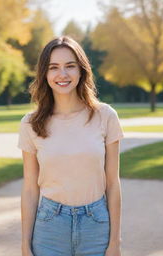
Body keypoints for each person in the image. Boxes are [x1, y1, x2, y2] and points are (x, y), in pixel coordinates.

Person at [17, 36, 124, 256]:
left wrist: (115, 242)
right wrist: (25, 245)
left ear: (81, 70)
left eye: (70, 66)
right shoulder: (30, 123)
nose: (62, 74)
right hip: (49, 228)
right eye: (53, 67)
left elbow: (113, 183)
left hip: (97, 225)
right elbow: (29, 189)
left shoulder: (105, 116)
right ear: (44, 74)